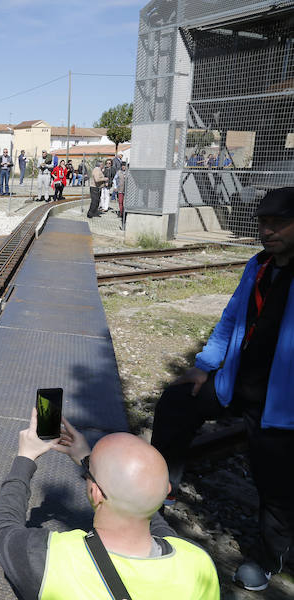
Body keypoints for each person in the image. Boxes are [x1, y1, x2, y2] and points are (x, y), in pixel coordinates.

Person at [150, 187, 294, 592]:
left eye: (278, 223)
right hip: (238, 385)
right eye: (263, 222)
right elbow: (232, 317)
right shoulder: (259, 265)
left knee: (275, 484)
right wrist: (203, 367)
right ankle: (164, 490)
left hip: (281, 403)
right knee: (178, 402)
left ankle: (270, 559)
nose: (267, 230)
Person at [0, 410, 220, 599]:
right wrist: (89, 460)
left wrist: (25, 458)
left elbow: (3, 528)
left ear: (95, 493)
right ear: (166, 491)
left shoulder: (48, 558)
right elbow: (149, 513)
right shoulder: (199, 564)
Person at [114, 162, 128, 230]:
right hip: (120, 189)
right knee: (120, 202)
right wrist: (115, 186)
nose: (123, 167)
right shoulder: (118, 172)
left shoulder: (128, 172)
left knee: (126, 202)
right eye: (122, 166)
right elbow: (115, 179)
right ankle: (121, 213)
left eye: (124, 166)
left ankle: (126, 213)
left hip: (127, 190)